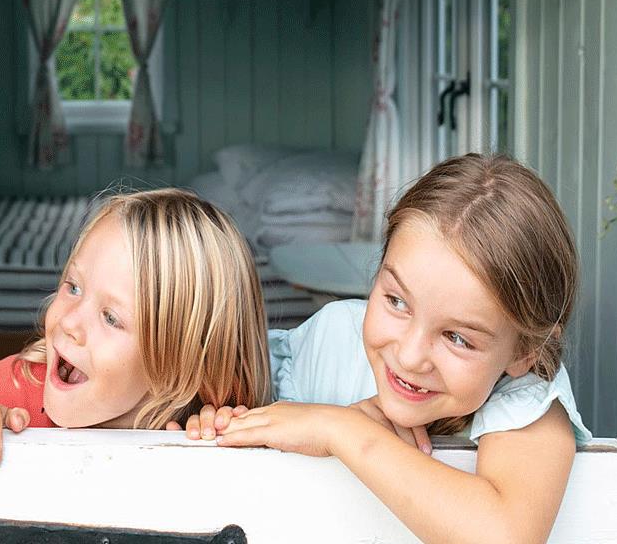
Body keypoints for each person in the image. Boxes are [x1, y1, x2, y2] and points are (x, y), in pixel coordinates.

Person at [188, 154, 590, 543]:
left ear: (525, 351)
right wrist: (209, 417)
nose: (411, 356)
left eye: (458, 338)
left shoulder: (525, 397)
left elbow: (504, 535)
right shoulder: (330, 339)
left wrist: (341, 429)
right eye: (396, 301)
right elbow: (226, 405)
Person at [0, 188, 273, 478]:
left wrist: (214, 446)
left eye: (110, 317)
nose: (69, 323)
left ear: (186, 367)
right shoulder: (10, 389)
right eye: (73, 287)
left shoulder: (197, 433)